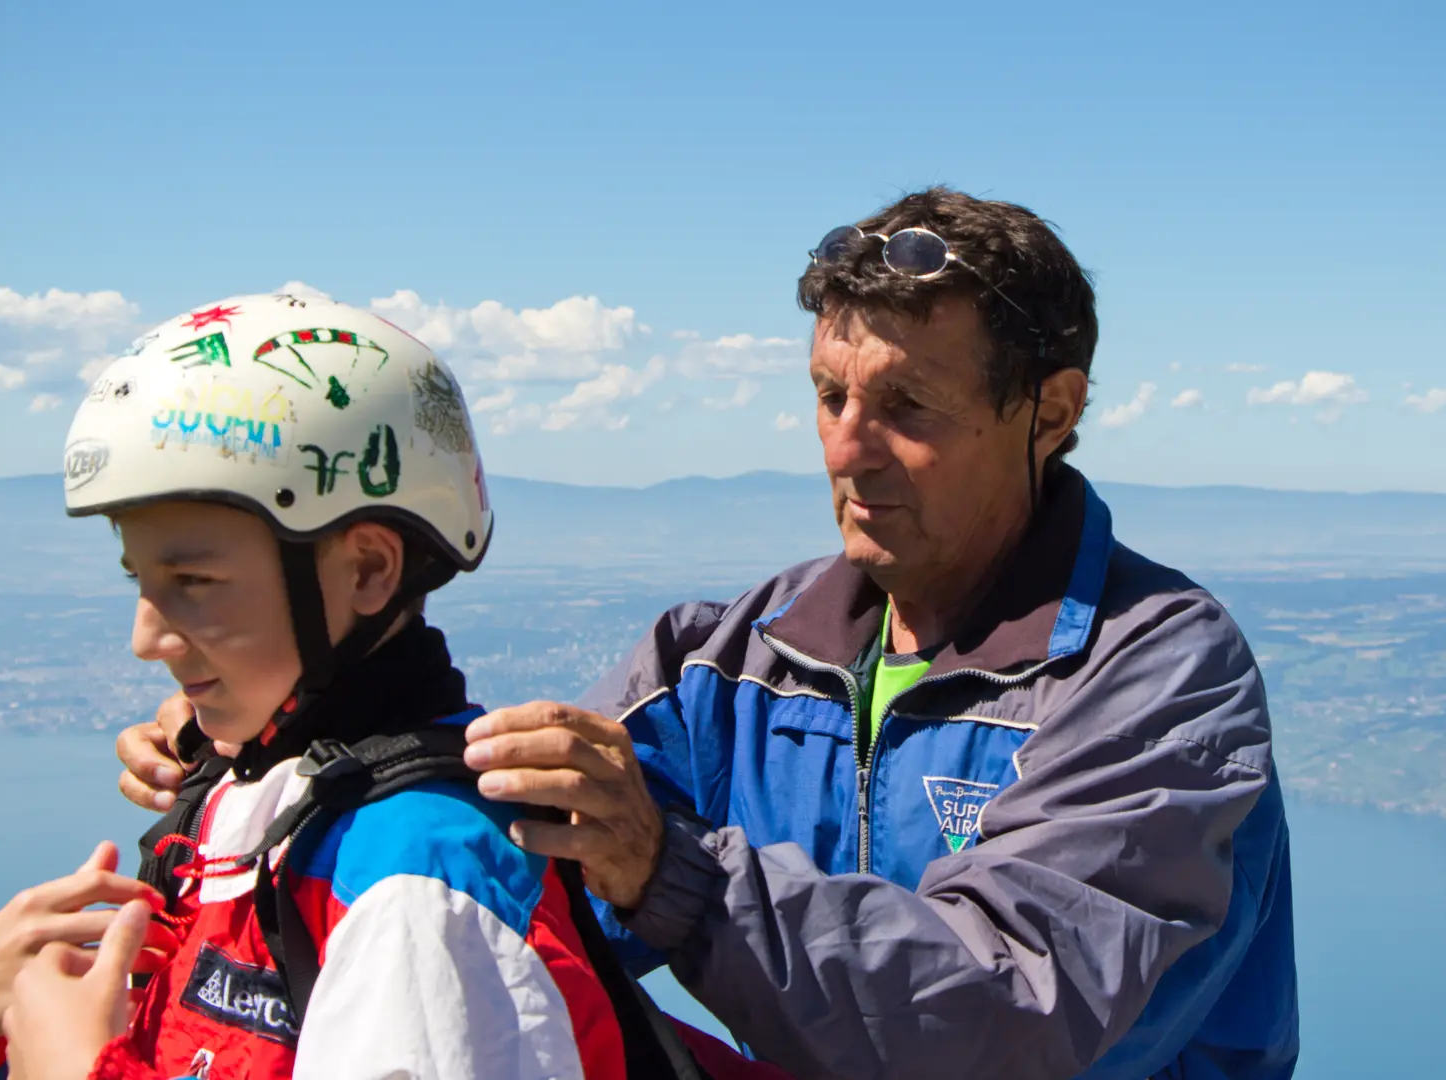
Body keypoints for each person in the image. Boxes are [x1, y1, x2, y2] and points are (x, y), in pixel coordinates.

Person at [122, 189, 1300, 1079]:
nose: (847, 445)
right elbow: (522, 829)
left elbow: (1012, 1005)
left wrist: (670, 873)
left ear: (1050, 410)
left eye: (908, 408)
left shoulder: (1155, 673)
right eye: (830, 397)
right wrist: (276, 726)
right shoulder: (733, 654)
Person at [0, 293, 779, 1080]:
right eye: (138, 581)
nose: (145, 637)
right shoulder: (250, 810)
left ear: (369, 572)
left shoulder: (421, 882)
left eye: (193, 583)